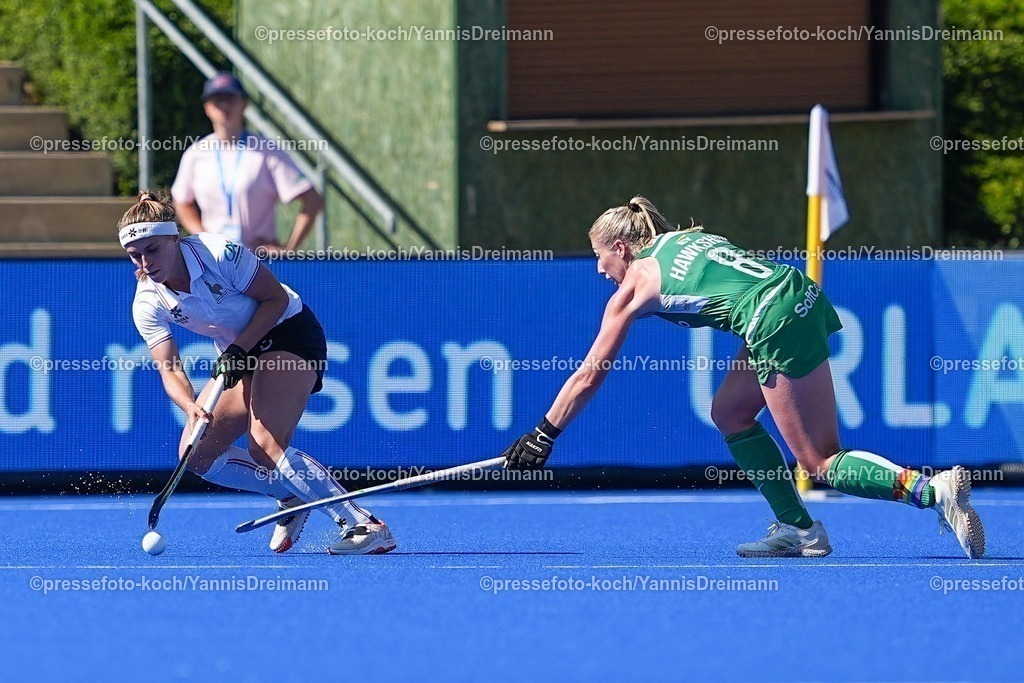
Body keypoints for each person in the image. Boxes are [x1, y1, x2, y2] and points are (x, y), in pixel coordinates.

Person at [502, 196, 985, 559]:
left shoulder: (634, 284)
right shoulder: (686, 237)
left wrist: (544, 435)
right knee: (729, 413)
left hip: (769, 319)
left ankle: (932, 491)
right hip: (799, 294)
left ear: (621, 248)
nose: (599, 269)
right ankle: (797, 528)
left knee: (819, 461)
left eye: (600, 257)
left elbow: (590, 374)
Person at [119, 190, 395, 555]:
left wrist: (236, 350)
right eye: (135, 255)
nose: (145, 261)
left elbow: (275, 299)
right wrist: (189, 406)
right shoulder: (147, 302)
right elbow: (169, 367)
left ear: (174, 238)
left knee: (264, 442)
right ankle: (290, 494)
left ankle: (364, 524)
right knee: (196, 450)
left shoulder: (219, 253)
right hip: (241, 355)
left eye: (152, 249)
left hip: (287, 331)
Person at [171, 72, 323, 253]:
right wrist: (204, 238)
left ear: (244, 104)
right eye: (217, 100)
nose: (224, 106)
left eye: (231, 99)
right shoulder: (196, 154)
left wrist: (289, 248)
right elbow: (181, 201)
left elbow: (313, 198)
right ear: (207, 108)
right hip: (213, 260)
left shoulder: (267, 150)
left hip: (258, 259)